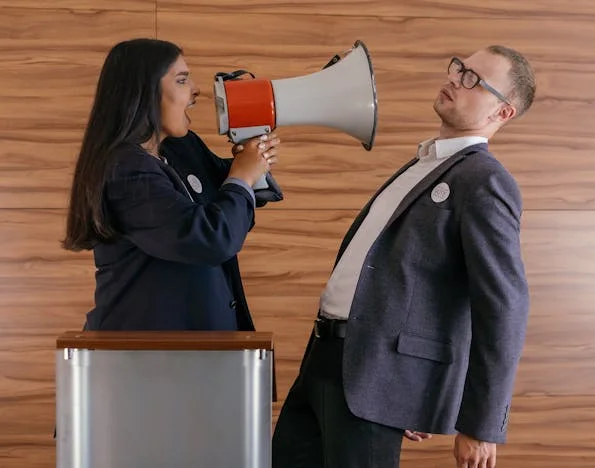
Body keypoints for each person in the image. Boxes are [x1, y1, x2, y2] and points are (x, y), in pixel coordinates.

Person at [271, 45, 535, 468]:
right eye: (459, 68)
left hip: (366, 383)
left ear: (502, 113)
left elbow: (504, 306)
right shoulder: (423, 163)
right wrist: (410, 381)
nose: (456, 78)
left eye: (473, 80)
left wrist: (481, 425)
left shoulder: (485, 181)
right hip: (326, 361)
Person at [61, 38, 283, 331]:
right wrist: (243, 176)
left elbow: (229, 204)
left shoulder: (181, 148)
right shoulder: (125, 171)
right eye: (181, 80)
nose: (196, 91)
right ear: (143, 93)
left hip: (188, 352)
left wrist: (252, 159)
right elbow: (213, 237)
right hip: (143, 355)